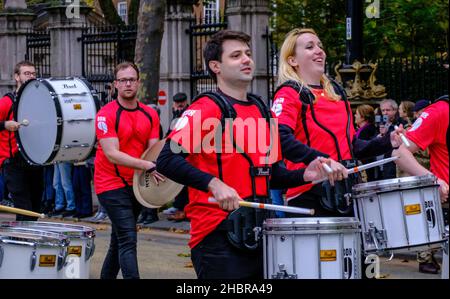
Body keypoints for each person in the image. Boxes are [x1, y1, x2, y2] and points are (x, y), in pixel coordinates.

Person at [157, 30, 345, 279]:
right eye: (236, 56)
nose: (246, 59)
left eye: (247, 53)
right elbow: (167, 159)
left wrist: (304, 175)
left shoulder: (262, 111)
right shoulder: (206, 108)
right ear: (216, 66)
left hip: (258, 232)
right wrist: (213, 184)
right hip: (217, 236)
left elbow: (272, 175)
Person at [272, 28, 403, 217]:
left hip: (347, 191)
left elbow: (352, 146)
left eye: (320, 46)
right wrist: (321, 160)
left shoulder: (337, 94)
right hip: (310, 195)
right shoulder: (289, 93)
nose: (319, 51)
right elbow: (279, 137)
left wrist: (386, 142)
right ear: (292, 60)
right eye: (310, 47)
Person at [94, 61, 163, 279]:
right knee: (128, 238)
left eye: (132, 79)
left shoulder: (150, 115)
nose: (128, 84)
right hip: (109, 183)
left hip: (135, 185)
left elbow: (154, 151)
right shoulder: (105, 114)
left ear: (138, 83)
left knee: (118, 241)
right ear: (115, 84)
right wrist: (145, 165)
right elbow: (112, 153)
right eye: (123, 80)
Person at [393, 95, 449, 274]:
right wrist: (433, 179)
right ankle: (426, 259)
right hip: (444, 190)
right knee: (430, 225)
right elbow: (400, 153)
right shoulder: (439, 111)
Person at [0, 61, 43, 221]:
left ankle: (26, 242)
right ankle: (22, 243)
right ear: (16, 77)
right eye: (27, 73)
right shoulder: (7, 102)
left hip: (35, 160)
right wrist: (5, 124)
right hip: (13, 163)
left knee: (36, 210)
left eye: (33, 73)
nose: (31, 77)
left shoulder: (39, 103)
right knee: (24, 210)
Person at [378, 98, 408, 179]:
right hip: (384, 161)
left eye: (388, 110)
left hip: (396, 160)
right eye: (383, 110)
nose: (385, 113)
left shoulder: (401, 123)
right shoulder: (380, 123)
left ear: (395, 110)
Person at [354, 104, 378, 182]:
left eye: (357, 114)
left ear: (363, 117)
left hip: (367, 167)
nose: (354, 115)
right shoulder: (362, 129)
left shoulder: (367, 130)